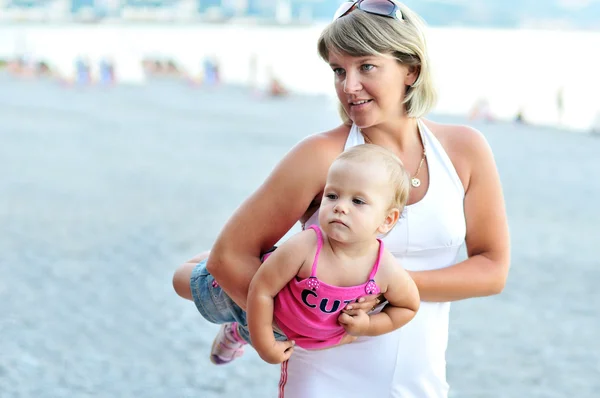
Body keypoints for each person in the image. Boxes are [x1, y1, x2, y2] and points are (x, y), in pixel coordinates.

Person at [172, 1, 510, 397]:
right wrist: (280, 323)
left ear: (411, 70)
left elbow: (491, 268)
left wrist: (379, 287)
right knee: (198, 276)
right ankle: (237, 323)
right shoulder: (320, 156)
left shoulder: (464, 150)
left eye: (366, 66)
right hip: (322, 377)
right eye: (338, 70)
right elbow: (229, 256)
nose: (349, 86)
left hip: (421, 383)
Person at [194, 144, 420, 364]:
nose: (340, 206)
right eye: (332, 196)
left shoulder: (384, 268)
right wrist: (264, 346)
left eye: (357, 201)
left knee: (247, 328)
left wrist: (369, 326)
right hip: (254, 307)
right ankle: (205, 267)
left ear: (387, 219)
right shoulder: (307, 245)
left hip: (308, 335)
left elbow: (408, 306)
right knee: (181, 280)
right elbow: (261, 289)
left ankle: (237, 333)